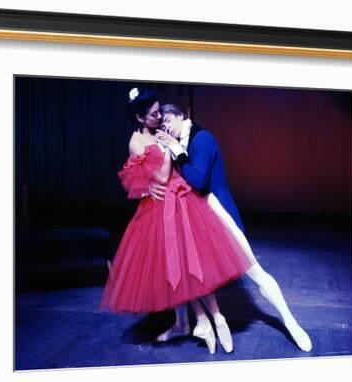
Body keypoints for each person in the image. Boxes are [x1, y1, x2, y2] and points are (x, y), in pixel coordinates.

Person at [100, 88, 254, 354]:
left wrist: (170, 146)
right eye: (153, 114)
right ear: (139, 117)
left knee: (194, 263)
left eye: (160, 111)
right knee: (177, 267)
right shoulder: (137, 141)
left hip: (181, 199)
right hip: (159, 208)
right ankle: (200, 321)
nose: (159, 116)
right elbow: (155, 177)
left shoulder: (159, 131)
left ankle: (214, 319)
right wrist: (167, 149)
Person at [154, 103, 313, 352]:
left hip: (221, 214)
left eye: (168, 122)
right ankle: (194, 323)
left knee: (254, 271)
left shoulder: (202, 138)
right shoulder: (176, 143)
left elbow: (198, 180)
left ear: (182, 115)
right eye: (162, 125)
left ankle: (290, 322)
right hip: (199, 217)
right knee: (187, 269)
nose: (166, 128)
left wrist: (176, 150)